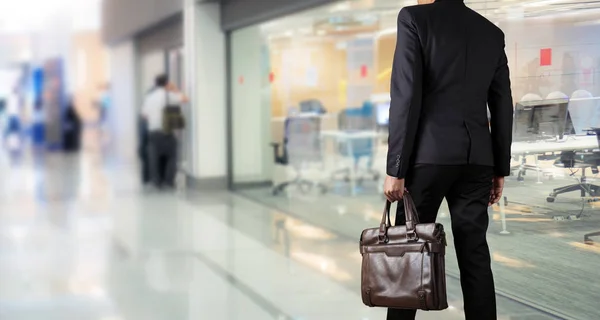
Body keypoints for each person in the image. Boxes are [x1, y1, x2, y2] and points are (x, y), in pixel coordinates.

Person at [382, 1, 513, 320]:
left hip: (429, 158)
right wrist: (499, 168)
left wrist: (395, 169)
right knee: (476, 256)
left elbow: (406, 95)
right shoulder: (491, 32)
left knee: (410, 255)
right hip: (477, 159)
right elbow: (502, 104)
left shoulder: (414, 18)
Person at [141, 74, 188, 189]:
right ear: (167, 83)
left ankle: (156, 181)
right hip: (166, 130)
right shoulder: (169, 95)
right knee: (172, 155)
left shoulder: (149, 97)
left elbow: (144, 115)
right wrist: (174, 88)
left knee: (154, 157)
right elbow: (185, 99)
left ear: (155, 84)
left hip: (153, 132)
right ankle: (169, 181)